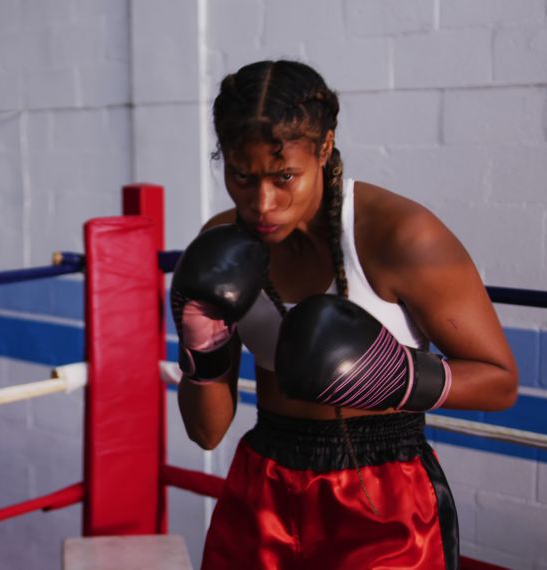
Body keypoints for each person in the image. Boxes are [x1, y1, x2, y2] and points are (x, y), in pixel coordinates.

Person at [171, 60, 519, 569]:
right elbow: (206, 433)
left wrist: (398, 378)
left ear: (325, 147)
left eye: (284, 176)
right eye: (242, 177)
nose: (263, 202)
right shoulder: (222, 243)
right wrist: (200, 349)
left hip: (381, 496)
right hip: (261, 482)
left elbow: (501, 384)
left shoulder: (400, 235)